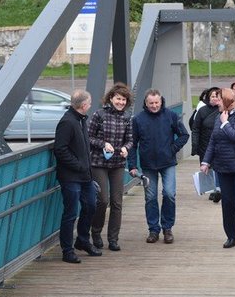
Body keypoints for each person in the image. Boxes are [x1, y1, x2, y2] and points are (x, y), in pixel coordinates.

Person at [128, 89, 189, 244]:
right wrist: (132, 165)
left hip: (167, 162)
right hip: (148, 165)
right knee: (150, 197)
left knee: (169, 193)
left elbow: (184, 135)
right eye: (151, 103)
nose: (154, 106)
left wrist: (172, 149)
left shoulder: (171, 115)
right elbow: (132, 144)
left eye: (157, 103)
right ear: (146, 103)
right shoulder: (138, 119)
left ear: (161, 101)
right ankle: (153, 229)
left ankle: (167, 228)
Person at [201, 88, 235, 251]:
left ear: (227, 101)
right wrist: (206, 161)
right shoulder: (221, 116)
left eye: (219, 99)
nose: (216, 102)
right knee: (227, 202)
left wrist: (225, 123)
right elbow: (213, 141)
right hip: (223, 165)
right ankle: (231, 236)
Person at [54, 89, 102, 264]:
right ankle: (67, 250)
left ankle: (82, 240)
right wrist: (79, 165)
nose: (90, 105)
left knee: (90, 205)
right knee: (71, 213)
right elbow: (60, 149)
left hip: (85, 176)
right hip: (70, 177)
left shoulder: (81, 120)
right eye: (89, 103)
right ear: (83, 105)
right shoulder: (67, 122)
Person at [88, 83, 133, 252]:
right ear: (111, 98)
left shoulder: (127, 117)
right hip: (99, 163)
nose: (121, 102)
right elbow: (89, 136)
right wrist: (103, 144)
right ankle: (96, 232)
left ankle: (113, 239)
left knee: (117, 202)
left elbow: (130, 139)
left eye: (123, 100)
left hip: (117, 164)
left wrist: (125, 148)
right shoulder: (99, 114)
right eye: (118, 98)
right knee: (102, 200)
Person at [191, 87, 222, 202]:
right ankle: (212, 190)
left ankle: (218, 189)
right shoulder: (202, 111)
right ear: (209, 98)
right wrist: (195, 145)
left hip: (219, 144)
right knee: (208, 168)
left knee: (218, 167)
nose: (214, 99)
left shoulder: (223, 110)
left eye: (217, 96)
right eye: (212, 96)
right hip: (205, 144)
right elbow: (195, 128)